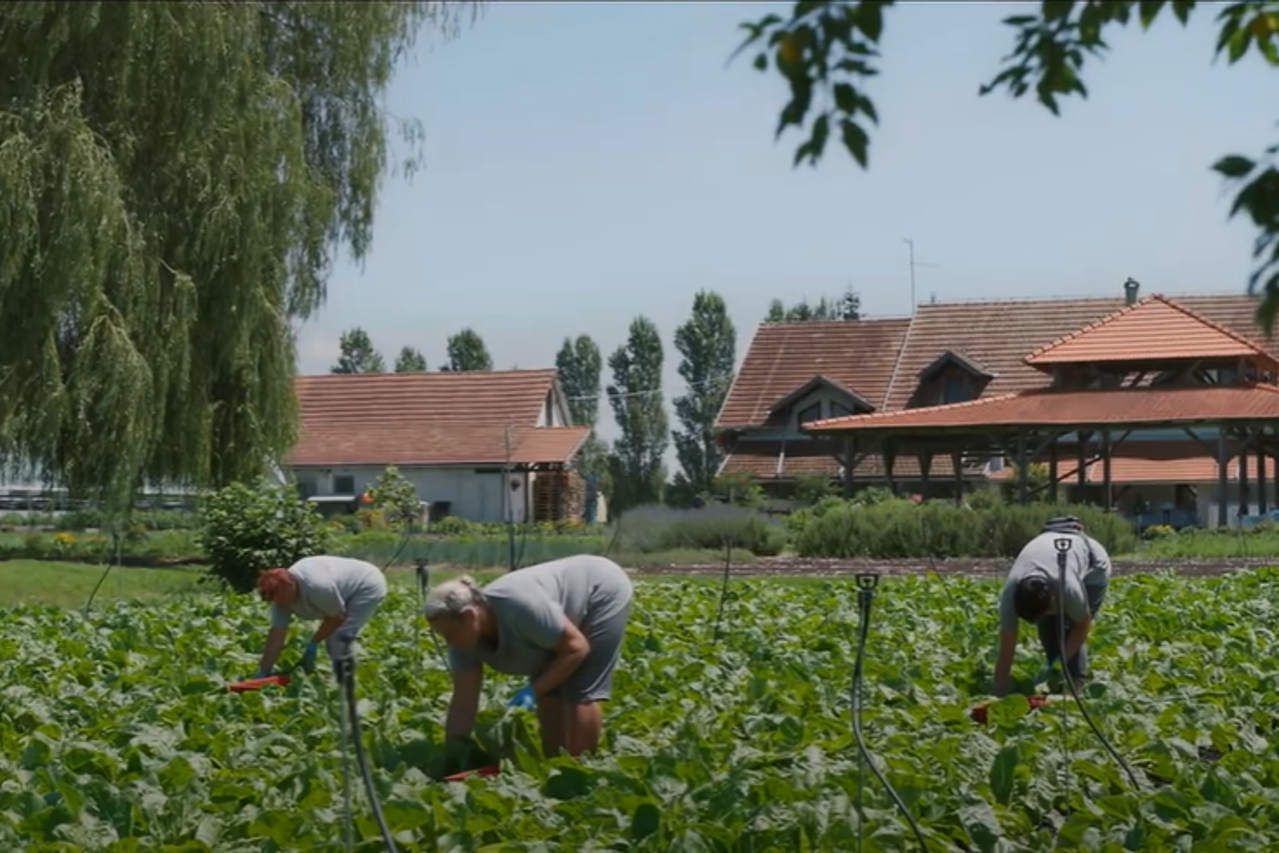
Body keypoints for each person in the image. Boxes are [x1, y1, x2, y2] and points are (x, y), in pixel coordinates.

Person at [424, 554, 634, 758]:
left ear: (470, 616)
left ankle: (584, 768)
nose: (449, 642)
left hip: (599, 589)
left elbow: (577, 648)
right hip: (550, 624)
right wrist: (452, 754)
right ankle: (555, 765)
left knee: (580, 689)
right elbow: (463, 701)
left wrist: (533, 690)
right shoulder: (462, 643)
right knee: (549, 691)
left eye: (451, 634)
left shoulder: (518, 607)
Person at [993, 516, 1112, 697]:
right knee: (1048, 631)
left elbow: (1082, 625)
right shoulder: (1011, 593)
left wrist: (1060, 662)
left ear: (1053, 599)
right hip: (1053, 557)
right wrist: (999, 694)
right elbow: (1006, 649)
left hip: (1093, 566)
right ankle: (1056, 683)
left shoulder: (1068, 587)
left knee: (1069, 629)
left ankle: (1075, 687)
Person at [253, 555, 388, 677]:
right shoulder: (280, 599)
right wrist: (264, 670)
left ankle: (346, 681)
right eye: (277, 601)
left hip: (365, 584)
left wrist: (314, 642)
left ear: (290, 585)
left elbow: (337, 617)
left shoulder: (317, 586)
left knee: (338, 637)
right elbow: (277, 635)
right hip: (339, 589)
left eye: (283, 598)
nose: (282, 603)